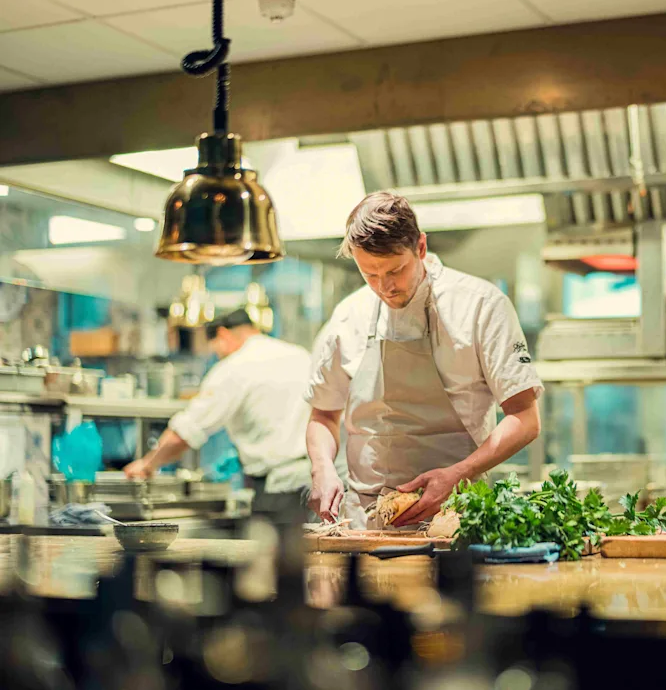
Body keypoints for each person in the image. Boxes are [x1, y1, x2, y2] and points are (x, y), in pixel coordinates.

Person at [305, 192, 543, 528]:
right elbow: (323, 414)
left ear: (420, 247)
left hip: (455, 516)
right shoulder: (348, 315)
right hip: (363, 521)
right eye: (369, 274)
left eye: (395, 270)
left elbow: (525, 417)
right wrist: (322, 468)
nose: (385, 287)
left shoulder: (480, 305)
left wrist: (459, 474)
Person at [124, 309, 314, 520]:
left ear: (223, 334)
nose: (217, 356)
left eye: (215, 349)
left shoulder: (234, 367)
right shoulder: (300, 355)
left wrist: (148, 464)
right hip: (318, 482)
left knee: (280, 542)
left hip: (278, 491)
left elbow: (184, 433)